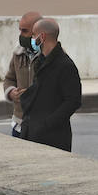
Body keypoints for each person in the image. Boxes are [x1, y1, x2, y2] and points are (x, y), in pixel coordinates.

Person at [18, 18, 82, 151]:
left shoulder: (65, 66)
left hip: (53, 139)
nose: (32, 39)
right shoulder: (41, 61)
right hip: (34, 135)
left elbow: (73, 101)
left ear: (42, 36)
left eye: (34, 35)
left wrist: (47, 124)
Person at [1, 10, 41, 137]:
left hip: (42, 124)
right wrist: (11, 92)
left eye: (25, 31)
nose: (21, 35)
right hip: (19, 123)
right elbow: (9, 79)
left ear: (37, 33)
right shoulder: (18, 54)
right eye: (20, 30)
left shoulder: (52, 57)